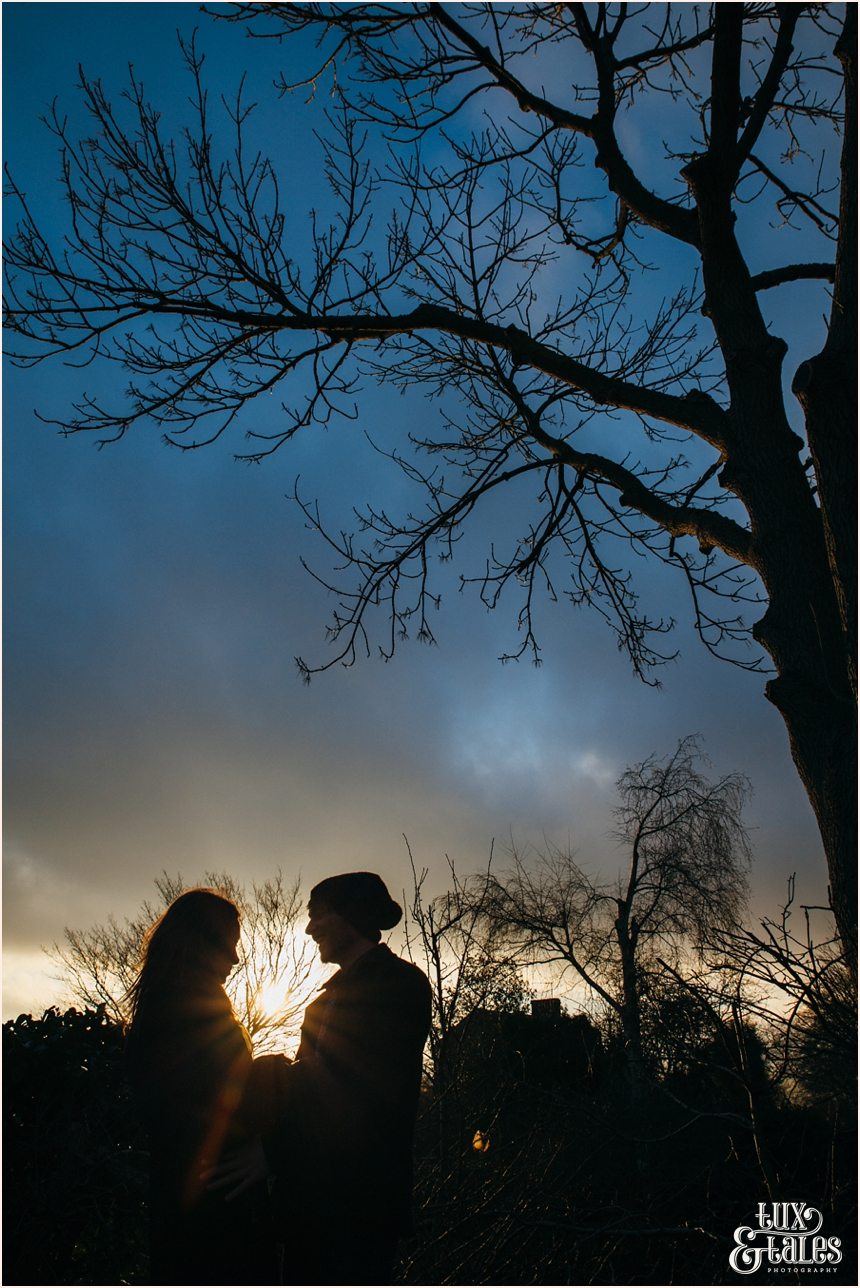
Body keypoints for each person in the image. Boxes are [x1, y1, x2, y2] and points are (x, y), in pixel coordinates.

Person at [210, 871, 432, 1286]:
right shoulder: (327, 1000)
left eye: (317, 915)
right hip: (311, 1207)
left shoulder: (398, 986)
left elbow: (348, 1091)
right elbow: (309, 1090)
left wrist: (272, 1152)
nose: (309, 928)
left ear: (348, 914)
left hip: (356, 1207)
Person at [125, 888, 280, 1286]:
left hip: (191, 1203)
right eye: (228, 946)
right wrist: (280, 1073)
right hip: (216, 1208)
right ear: (201, 945)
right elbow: (219, 1104)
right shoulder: (190, 1015)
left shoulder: (165, 1009)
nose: (235, 958)